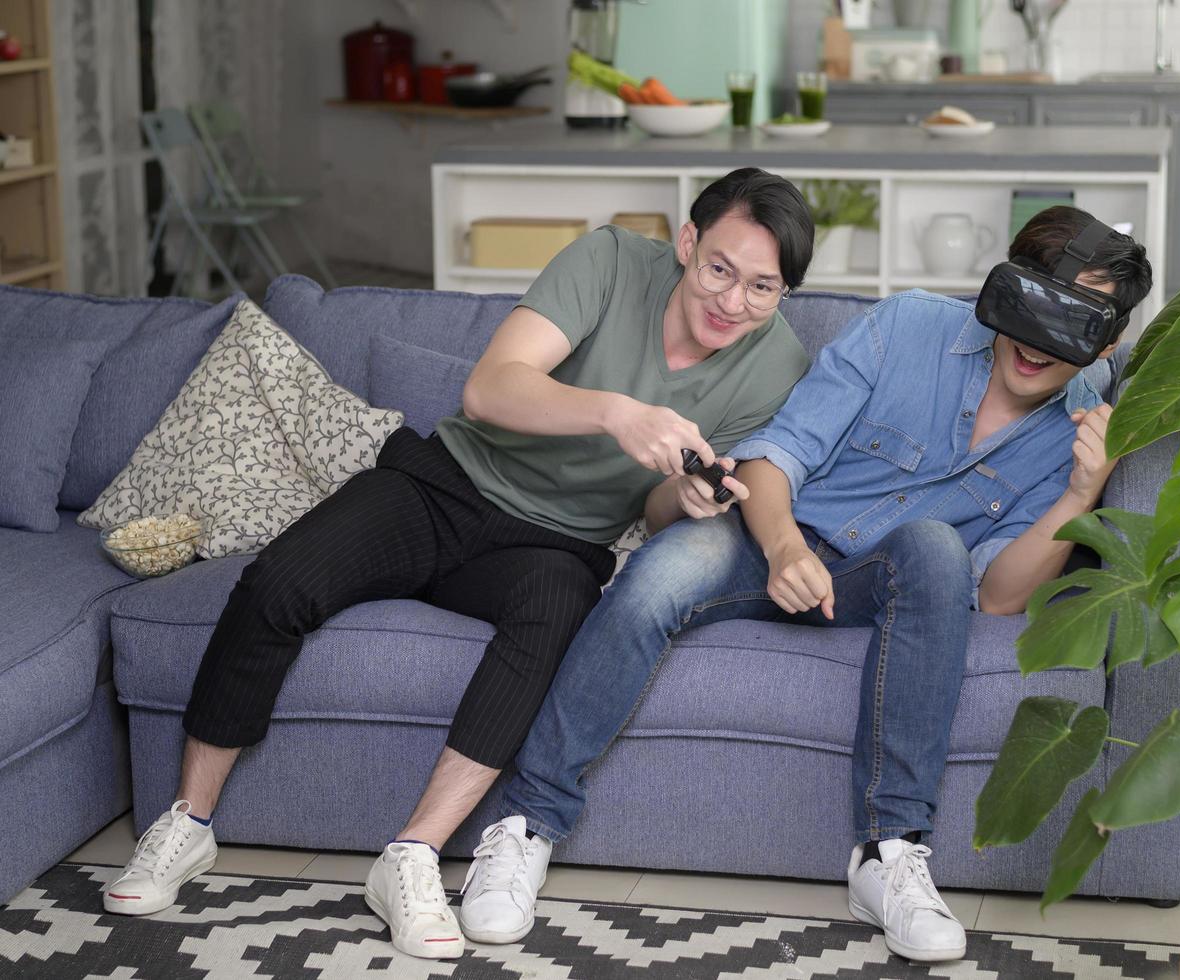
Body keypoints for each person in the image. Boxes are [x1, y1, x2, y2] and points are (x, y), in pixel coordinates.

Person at [102, 168, 816, 960]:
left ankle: (411, 855)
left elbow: (649, 511)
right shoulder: (610, 262)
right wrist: (616, 412)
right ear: (687, 243)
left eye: (762, 286)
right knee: (280, 580)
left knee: (555, 616)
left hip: (558, 542)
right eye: (720, 268)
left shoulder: (776, 362)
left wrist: (679, 498)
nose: (732, 301)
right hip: (443, 486)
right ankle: (187, 824)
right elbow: (490, 389)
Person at [461, 206, 1153, 962]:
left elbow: (996, 597)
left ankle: (889, 854)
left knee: (934, 546)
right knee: (661, 576)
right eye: (1029, 303)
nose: (1033, 341)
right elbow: (773, 456)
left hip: (880, 576)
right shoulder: (908, 327)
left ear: (1106, 340)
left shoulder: (1087, 416)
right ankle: (527, 822)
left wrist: (1079, 494)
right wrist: (786, 547)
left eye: (1071, 321)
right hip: (768, 536)